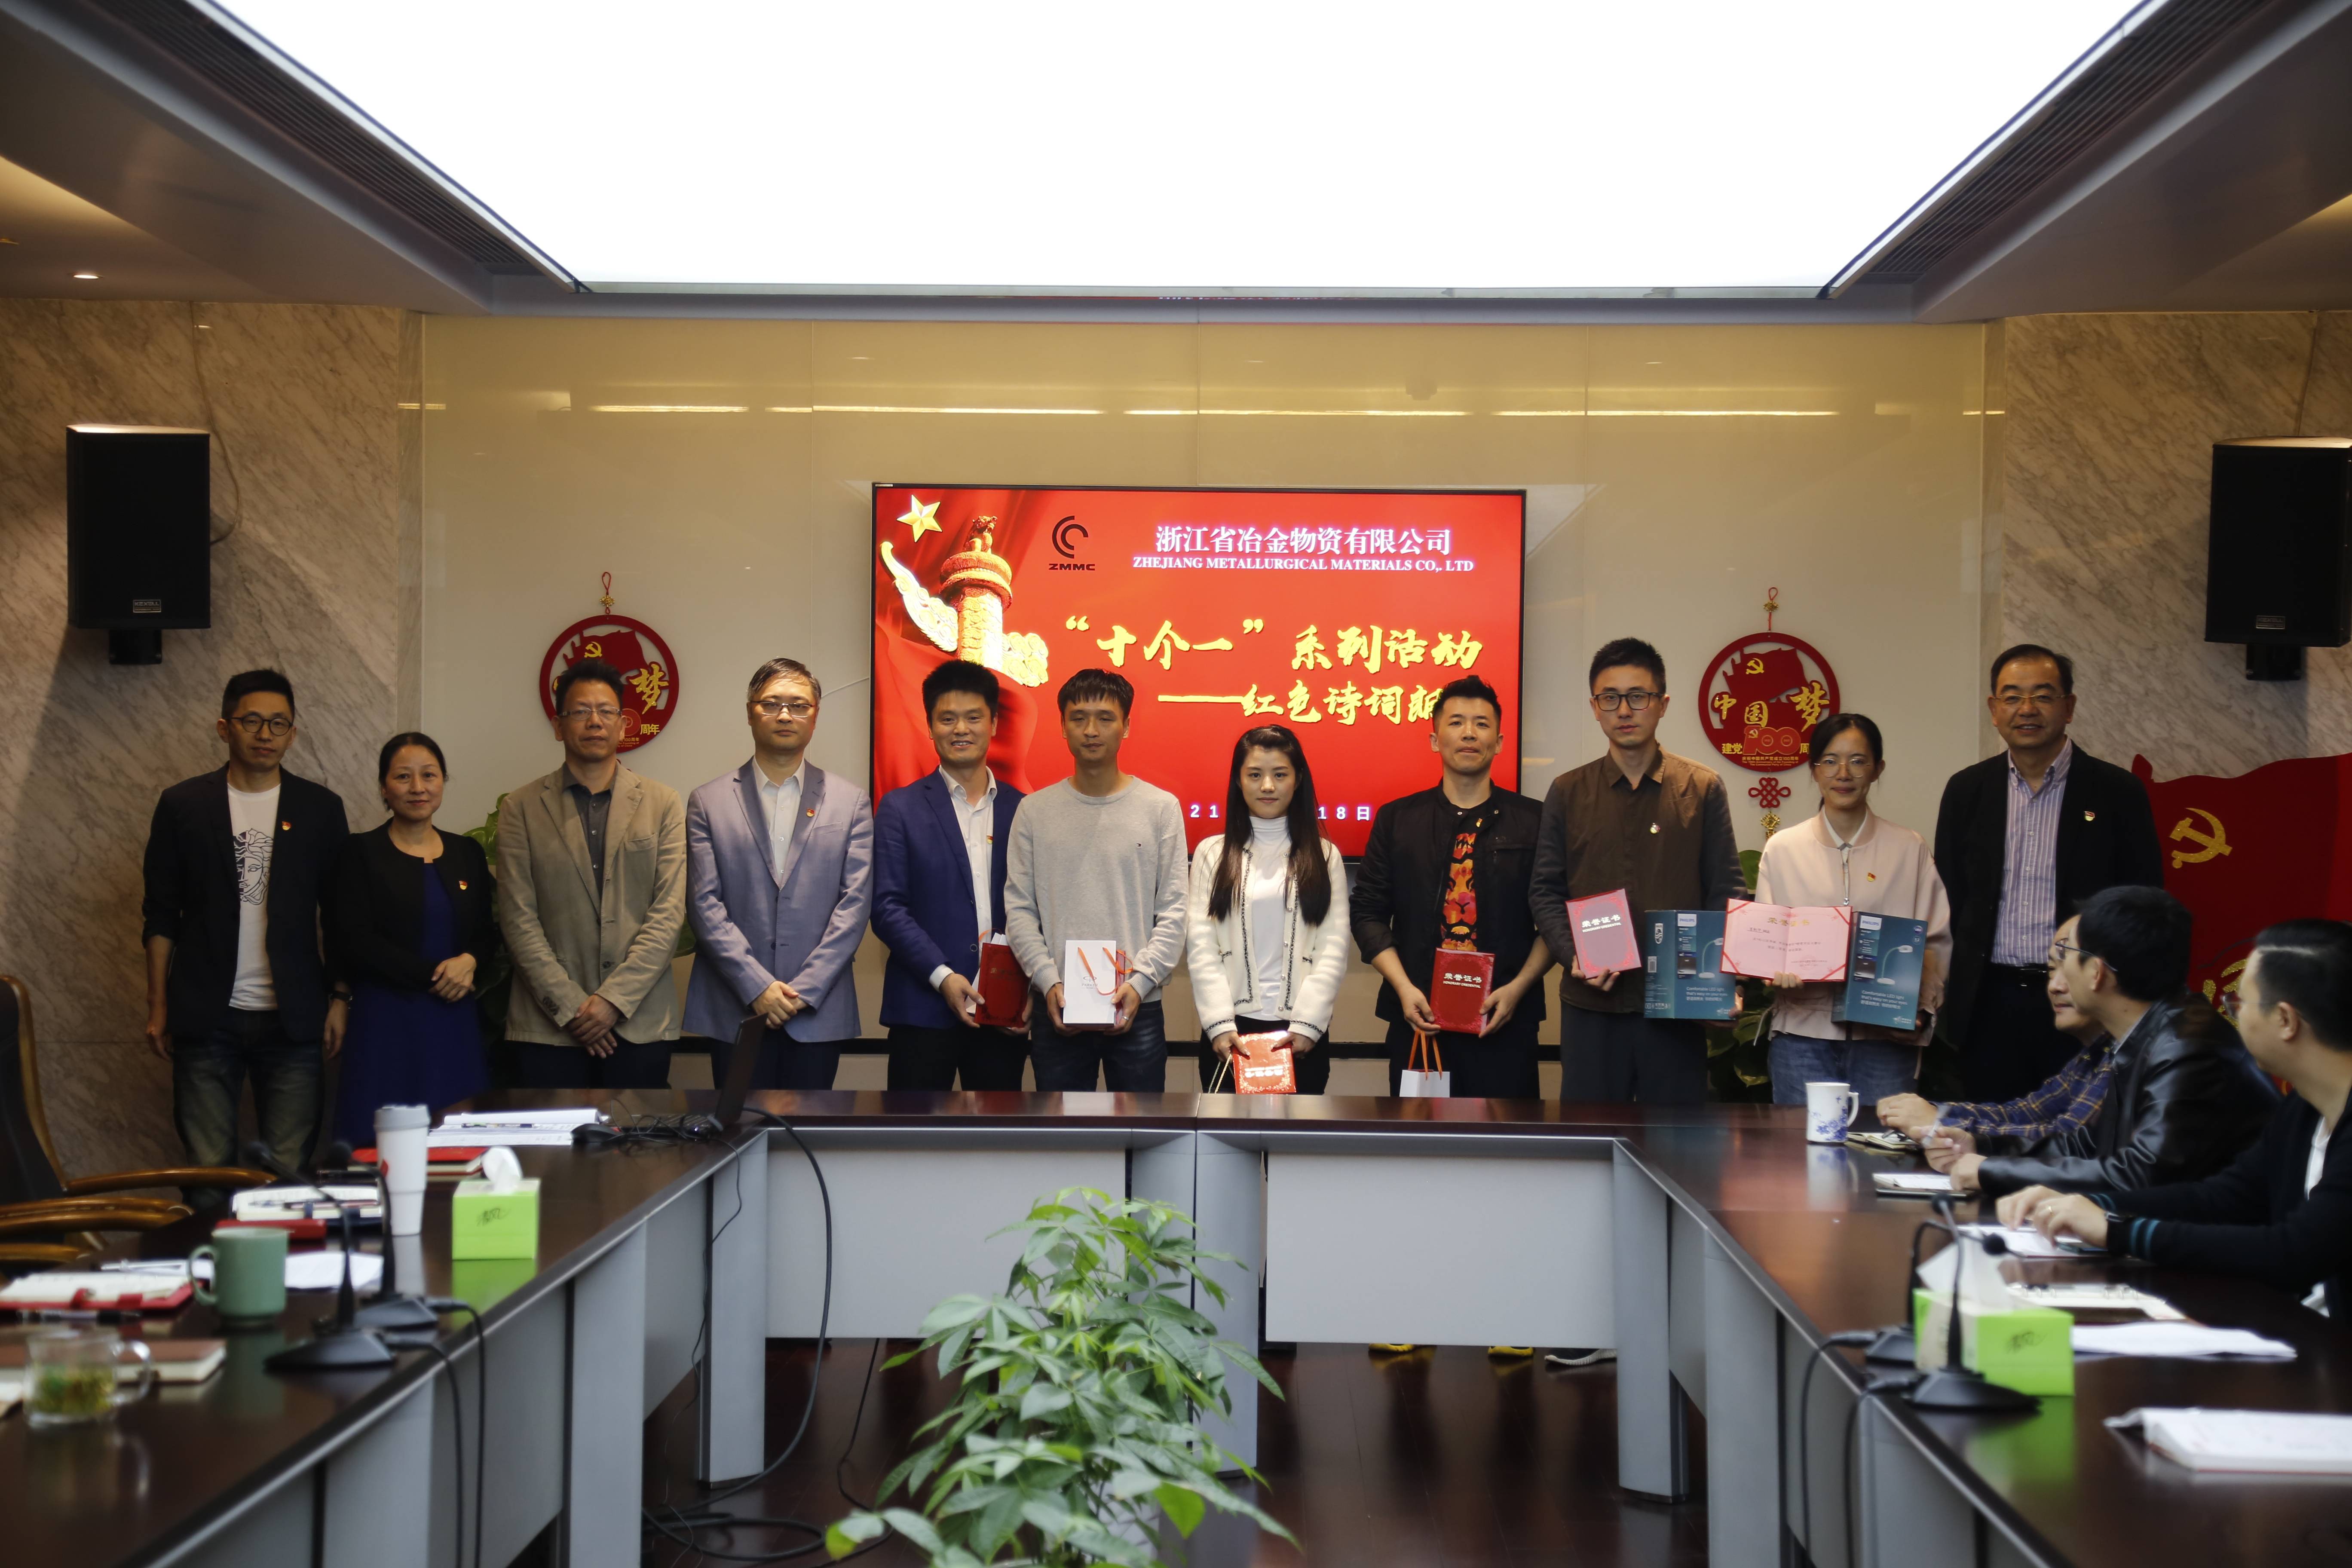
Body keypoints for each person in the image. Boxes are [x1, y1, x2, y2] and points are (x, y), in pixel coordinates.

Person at [2014, 919, 2352, 1318]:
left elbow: (2294, 1252)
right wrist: (2090, 1204)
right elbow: (2222, 1198)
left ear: (2285, 1021)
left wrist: (2118, 1231)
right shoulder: (2304, 1110)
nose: (2234, 1015)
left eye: (2240, 1004)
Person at [142, 669, 349, 1195]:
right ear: (224, 727)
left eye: (279, 723)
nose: (265, 734)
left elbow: (340, 915)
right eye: (252, 721)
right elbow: (161, 913)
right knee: (208, 1173)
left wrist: (340, 998)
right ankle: (211, 1252)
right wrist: (159, 1004)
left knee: (286, 1177)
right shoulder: (184, 805)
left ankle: (277, 1256)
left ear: (293, 733)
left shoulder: (320, 809)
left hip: (294, 1018)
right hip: (205, 1016)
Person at [1921, 890, 2274, 1199]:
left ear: (2097, 972)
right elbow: (2087, 1144)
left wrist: (1991, 1171)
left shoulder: (2188, 1047)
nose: (2056, 980)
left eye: (2067, 957)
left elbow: (2140, 1175)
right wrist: (1982, 1146)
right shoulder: (2146, 1031)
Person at [1934, 644, 2163, 1102]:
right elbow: (1951, 900)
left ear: (2069, 707)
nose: (2027, 709)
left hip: (2084, 1004)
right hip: (1988, 1005)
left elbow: (2143, 904)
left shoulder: (2117, 792)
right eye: (2012, 697)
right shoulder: (1967, 791)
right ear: (1994, 710)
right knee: (1990, 1132)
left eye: (2043, 696)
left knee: (2077, 1131)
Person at [1530, 637, 1741, 1105]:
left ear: (1662, 704)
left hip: (1677, 1006)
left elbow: (1727, 892)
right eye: (1610, 698)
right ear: (1595, 708)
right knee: (1589, 1135)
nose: (1624, 710)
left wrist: (1723, 982)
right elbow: (1545, 890)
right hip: (1593, 1005)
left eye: (1638, 696)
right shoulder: (1567, 791)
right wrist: (1574, 955)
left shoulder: (1702, 788)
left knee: (1676, 1138)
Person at [1354, 674, 1551, 1100]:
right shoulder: (1397, 820)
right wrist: (1404, 988)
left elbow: (1555, 918)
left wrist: (1518, 989)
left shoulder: (1535, 821)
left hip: (1505, 1020)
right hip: (1418, 1018)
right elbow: (1368, 913)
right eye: (1457, 722)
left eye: (1482, 724)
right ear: (1435, 739)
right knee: (1419, 1139)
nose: (1469, 733)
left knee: (1505, 1140)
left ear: (1499, 742)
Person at [496, 658, 689, 1088]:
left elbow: (668, 912)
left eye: (605, 711)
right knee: (552, 1136)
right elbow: (518, 917)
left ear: (623, 725)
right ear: (558, 726)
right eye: (580, 711)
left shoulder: (663, 803)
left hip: (639, 1023)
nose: (594, 722)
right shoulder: (520, 808)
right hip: (548, 1028)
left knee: (639, 1134)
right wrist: (572, 1007)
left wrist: (613, 1002)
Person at [685, 658, 874, 1088]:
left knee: (812, 1126)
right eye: (771, 704)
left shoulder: (850, 803)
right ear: (750, 712)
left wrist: (805, 989)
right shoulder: (708, 802)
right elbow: (703, 903)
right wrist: (757, 987)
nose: (785, 715)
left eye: (799, 705)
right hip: (734, 1007)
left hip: (818, 1009)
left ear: (816, 716)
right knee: (738, 1124)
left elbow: (855, 905)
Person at [1003, 668, 1188, 1093]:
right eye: (1079, 718)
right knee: (1063, 1131)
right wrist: (1047, 980)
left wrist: (1140, 984)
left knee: (1142, 1127)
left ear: (1127, 726)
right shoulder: (1034, 811)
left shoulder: (1161, 808)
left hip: (1138, 1006)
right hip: (1058, 1004)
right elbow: (1020, 910)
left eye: (1105, 718)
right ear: (1062, 726)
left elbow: (1175, 911)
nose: (1091, 730)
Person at [1755, 714, 1951, 1108]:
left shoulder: (1909, 848)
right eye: (1830, 761)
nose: (1843, 773)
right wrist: (1773, 973)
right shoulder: (1783, 849)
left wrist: (1921, 1010)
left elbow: (1935, 942)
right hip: (1802, 1037)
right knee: (1801, 1144)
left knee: (1880, 1142)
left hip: (1885, 1038)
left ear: (1878, 769)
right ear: (1814, 770)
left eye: (1858, 761)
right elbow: (1766, 941)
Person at [328, 733, 496, 1145]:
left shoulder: (467, 852)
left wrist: (471, 960)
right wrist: (439, 974)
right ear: (384, 788)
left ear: (443, 782)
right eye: (403, 777)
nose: (418, 787)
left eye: (429, 775)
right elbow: (353, 940)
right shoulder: (359, 852)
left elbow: (486, 932)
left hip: (454, 1022)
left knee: (456, 1143)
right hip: (386, 1020)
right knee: (379, 1145)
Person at [870, 659, 1028, 1091]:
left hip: (1002, 1010)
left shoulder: (1024, 809)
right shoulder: (899, 808)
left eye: (974, 717)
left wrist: (1030, 986)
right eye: (948, 719)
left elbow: (1036, 908)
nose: (961, 729)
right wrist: (943, 976)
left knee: (998, 1129)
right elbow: (887, 908)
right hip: (923, 1009)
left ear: (994, 724)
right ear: (930, 726)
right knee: (914, 1131)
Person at [1185, 726, 1352, 1094]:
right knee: (1226, 1132)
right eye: (1255, 775)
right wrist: (1219, 1025)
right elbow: (1201, 946)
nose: (1267, 787)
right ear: (1238, 780)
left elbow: (1333, 946)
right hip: (1230, 1035)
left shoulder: (1325, 856)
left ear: (1298, 780)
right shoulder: (1212, 854)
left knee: (1298, 1133)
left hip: (1300, 1036)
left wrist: (1308, 1025)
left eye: (1280, 775)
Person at [1877, 997, 2110, 1151]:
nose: (2055, 986)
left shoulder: (2120, 1058)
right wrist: (1934, 1112)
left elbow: (2066, 1141)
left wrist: (1941, 1123)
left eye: (2067, 968)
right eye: (2052, 969)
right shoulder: (2093, 1053)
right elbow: (2026, 1113)